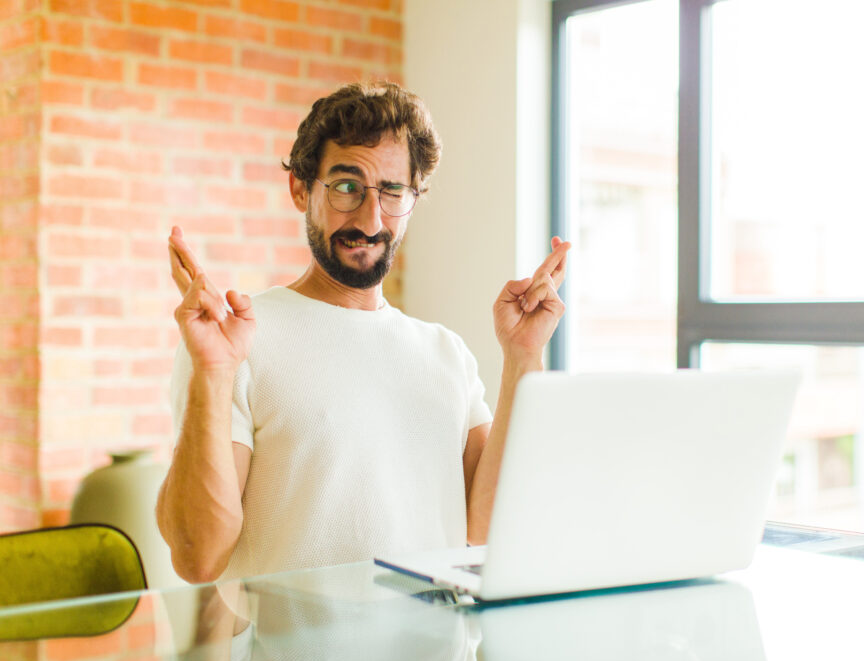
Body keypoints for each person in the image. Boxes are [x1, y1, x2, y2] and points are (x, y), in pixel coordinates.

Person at [156, 82, 570, 583]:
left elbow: (490, 529)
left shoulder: (446, 354)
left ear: (413, 199)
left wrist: (524, 358)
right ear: (301, 190)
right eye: (347, 187)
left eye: (392, 192)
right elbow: (198, 558)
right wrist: (213, 375)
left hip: (436, 660)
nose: (372, 220)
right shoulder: (234, 343)